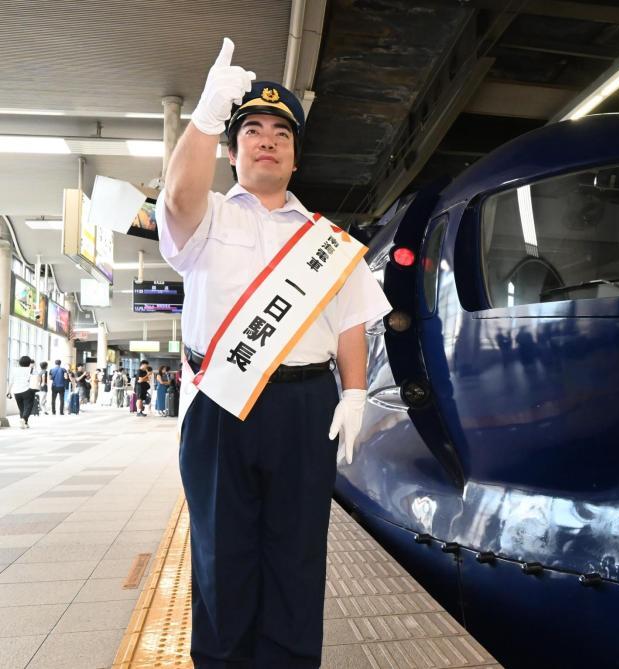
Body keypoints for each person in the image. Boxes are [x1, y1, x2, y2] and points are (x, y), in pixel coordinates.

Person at [158, 38, 390, 668]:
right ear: (233, 153)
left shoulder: (327, 242)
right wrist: (205, 115)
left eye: (281, 133)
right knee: (221, 557)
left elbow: (349, 322)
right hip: (221, 406)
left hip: (304, 406)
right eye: (252, 130)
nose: (267, 139)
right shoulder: (205, 216)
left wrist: (354, 392)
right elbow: (176, 198)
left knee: (296, 558)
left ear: (294, 157)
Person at [6, 356, 37, 429]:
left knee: (21, 408)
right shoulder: (31, 370)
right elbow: (35, 380)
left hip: (16, 392)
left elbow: (11, 381)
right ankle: (23, 419)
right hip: (27, 390)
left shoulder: (14, 370)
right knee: (28, 407)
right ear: (29, 363)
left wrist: (8, 391)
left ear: (19, 362)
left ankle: (24, 423)